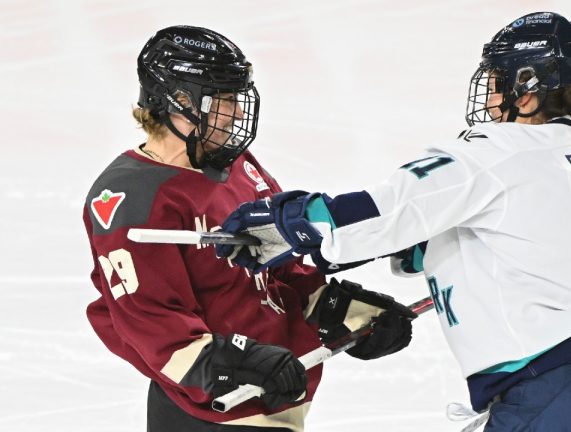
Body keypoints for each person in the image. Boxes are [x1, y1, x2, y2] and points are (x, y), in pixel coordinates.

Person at [214, 12, 571, 431]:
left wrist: (287, 223)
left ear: (527, 85)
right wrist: (426, 248)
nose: (491, 94)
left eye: (497, 80)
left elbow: (380, 212)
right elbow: (524, 235)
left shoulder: (493, 153)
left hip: (558, 391)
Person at [83, 25, 415, 432]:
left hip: (274, 401)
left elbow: (280, 265)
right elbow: (152, 325)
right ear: (179, 101)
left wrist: (346, 312)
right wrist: (235, 364)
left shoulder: (237, 165)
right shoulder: (130, 198)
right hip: (213, 415)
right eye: (223, 100)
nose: (239, 112)